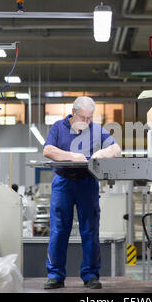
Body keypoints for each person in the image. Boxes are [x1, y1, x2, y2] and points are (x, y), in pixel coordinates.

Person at [42, 96, 121, 289]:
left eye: (89, 117)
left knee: (90, 229)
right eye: (82, 117)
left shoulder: (95, 129)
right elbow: (48, 151)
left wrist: (102, 153)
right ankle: (55, 275)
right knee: (59, 229)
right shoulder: (58, 127)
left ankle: (90, 274)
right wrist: (73, 156)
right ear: (73, 112)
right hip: (63, 183)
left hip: (87, 183)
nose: (86, 121)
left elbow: (116, 148)